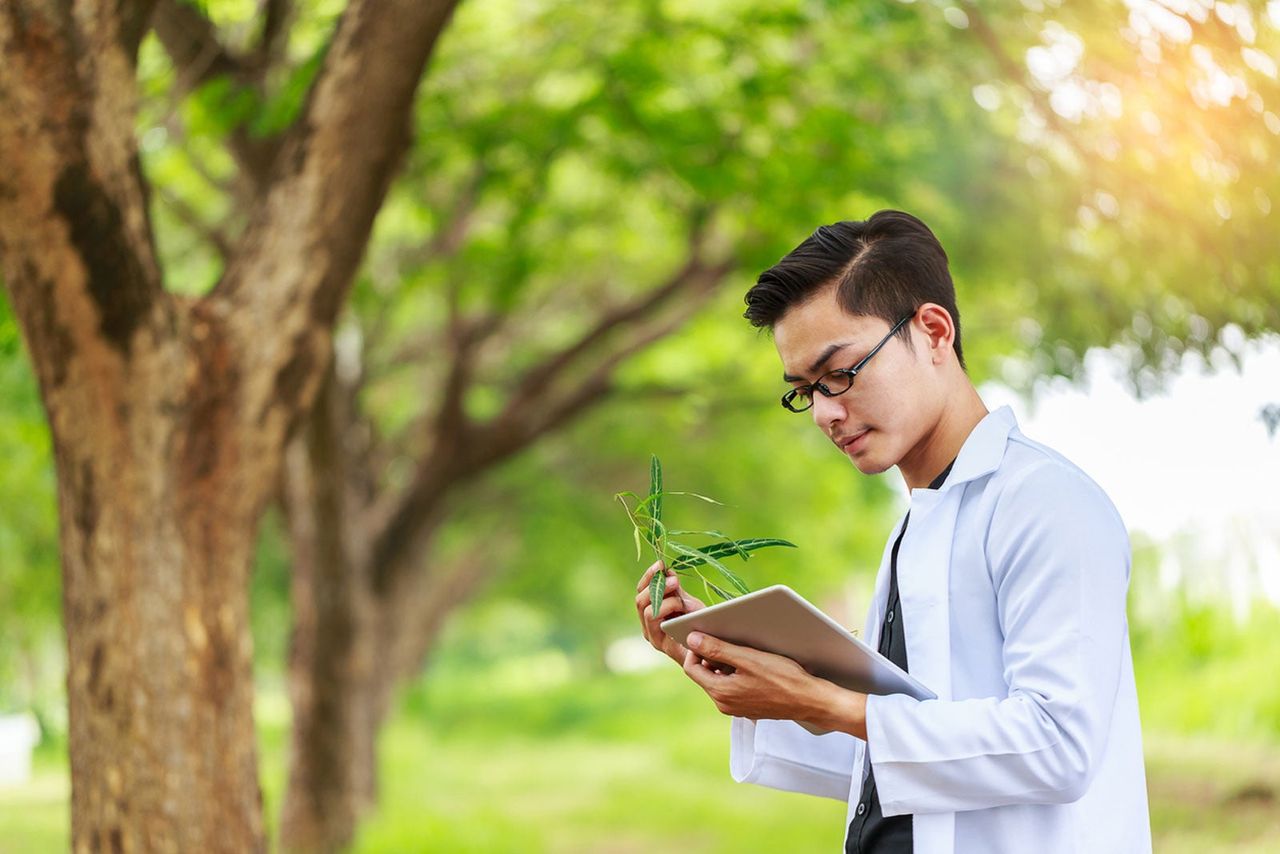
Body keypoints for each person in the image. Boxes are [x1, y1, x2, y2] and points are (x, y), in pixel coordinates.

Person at [634, 210, 1151, 853]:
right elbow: (886, 768)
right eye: (804, 392)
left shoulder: (1045, 502)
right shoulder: (916, 527)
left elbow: (1058, 744)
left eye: (840, 372)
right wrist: (730, 662)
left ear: (933, 331)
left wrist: (828, 704)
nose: (825, 411)